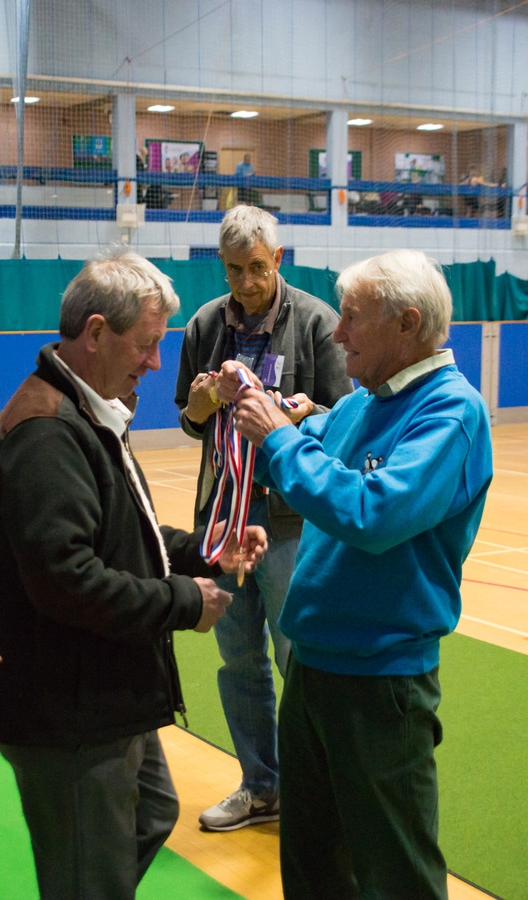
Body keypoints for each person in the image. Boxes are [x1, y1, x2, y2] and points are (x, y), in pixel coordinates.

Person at [0, 247, 267, 900]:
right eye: (148, 344)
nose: (158, 364)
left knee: (153, 811)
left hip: (104, 692)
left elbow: (122, 536)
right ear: (97, 332)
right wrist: (185, 601)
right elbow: (68, 580)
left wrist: (205, 551)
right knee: (90, 877)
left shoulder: (86, 409)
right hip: (68, 709)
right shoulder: (48, 433)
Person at [231, 248, 493, 899]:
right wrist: (262, 416)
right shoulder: (361, 402)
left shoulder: (451, 412)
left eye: (352, 319)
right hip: (315, 670)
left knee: (396, 874)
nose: (338, 334)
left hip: (381, 684)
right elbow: (296, 468)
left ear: (407, 325)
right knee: (314, 867)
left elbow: (372, 513)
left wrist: (281, 438)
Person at [174, 204, 351, 832]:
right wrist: (198, 403)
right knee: (238, 660)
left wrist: (305, 415)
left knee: (295, 657)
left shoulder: (319, 323)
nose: (245, 283)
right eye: (232, 270)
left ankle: (317, 788)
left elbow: (347, 420)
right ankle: (261, 786)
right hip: (222, 521)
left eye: (256, 268)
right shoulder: (202, 325)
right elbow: (189, 421)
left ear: (278, 259)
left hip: (290, 524)